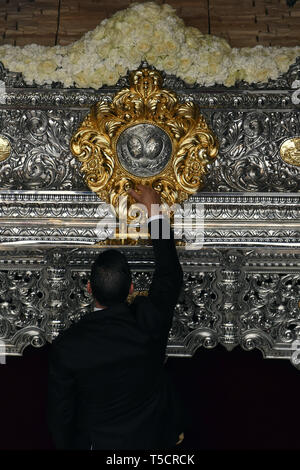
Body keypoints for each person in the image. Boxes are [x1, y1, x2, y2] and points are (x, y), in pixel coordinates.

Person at [47, 184, 184, 450]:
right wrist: (154, 209)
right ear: (131, 289)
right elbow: (169, 274)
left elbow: (60, 416)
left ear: (89, 288)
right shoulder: (147, 322)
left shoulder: (68, 346)